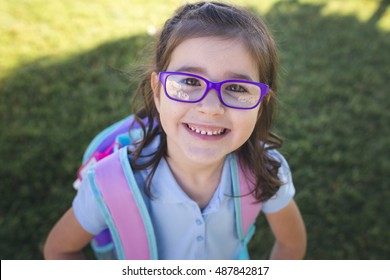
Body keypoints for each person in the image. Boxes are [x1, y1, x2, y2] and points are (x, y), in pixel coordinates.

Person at [44, 1, 306, 260]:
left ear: (261, 104)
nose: (210, 107)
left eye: (237, 87)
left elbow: (291, 244)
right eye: (190, 81)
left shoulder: (265, 169)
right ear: (158, 92)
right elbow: (60, 249)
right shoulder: (109, 182)